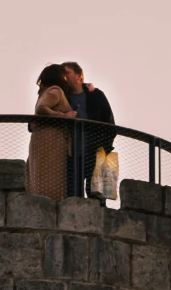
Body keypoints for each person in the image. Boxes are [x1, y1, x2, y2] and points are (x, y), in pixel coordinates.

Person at [60, 62, 116, 197]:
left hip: (95, 150)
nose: (64, 77)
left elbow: (109, 123)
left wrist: (105, 147)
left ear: (79, 75)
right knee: (72, 194)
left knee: (97, 194)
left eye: (67, 73)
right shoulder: (62, 95)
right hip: (71, 153)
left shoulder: (96, 95)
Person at [26, 65, 74, 201]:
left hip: (45, 140)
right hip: (51, 141)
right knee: (52, 175)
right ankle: (50, 205)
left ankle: (43, 203)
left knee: (42, 176)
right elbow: (42, 108)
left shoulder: (46, 91)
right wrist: (64, 116)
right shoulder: (55, 90)